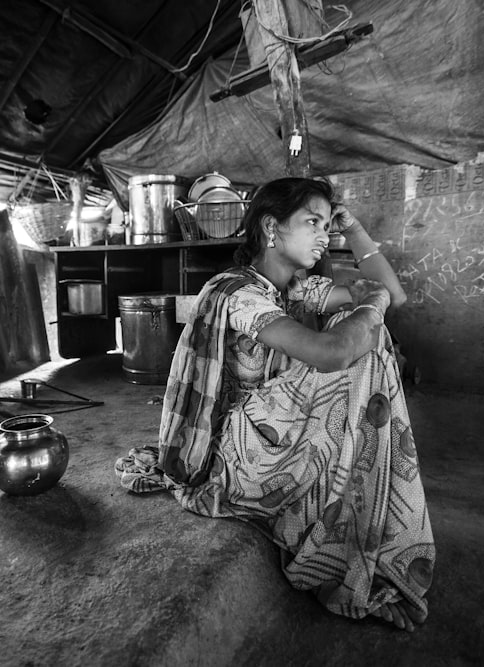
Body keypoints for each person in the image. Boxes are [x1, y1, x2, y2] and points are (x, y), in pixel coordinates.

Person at [115, 177, 434, 632]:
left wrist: (355, 230)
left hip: (274, 438)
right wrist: (367, 315)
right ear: (271, 227)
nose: (325, 235)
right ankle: (346, 545)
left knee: (367, 335)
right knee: (361, 345)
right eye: (312, 222)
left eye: (328, 224)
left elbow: (392, 294)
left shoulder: (295, 288)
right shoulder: (238, 293)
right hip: (233, 458)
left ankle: (358, 529)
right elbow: (332, 354)